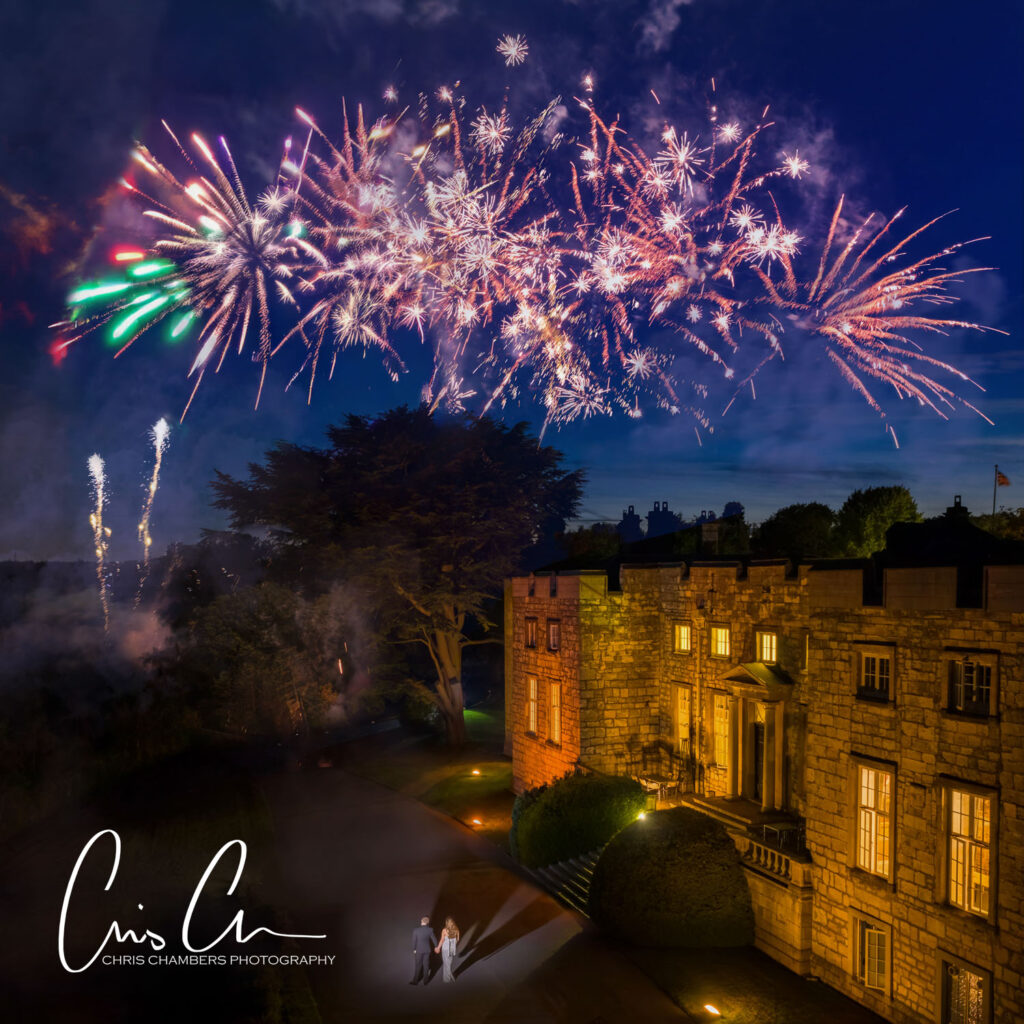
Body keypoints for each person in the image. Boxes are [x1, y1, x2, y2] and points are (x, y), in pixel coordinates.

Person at [410, 916, 437, 985]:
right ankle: (426, 981)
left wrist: (414, 949)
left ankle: (415, 981)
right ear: (427, 922)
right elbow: (434, 939)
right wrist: (436, 946)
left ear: (421, 921)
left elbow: (414, 941)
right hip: (427, 950)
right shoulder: (430, 930)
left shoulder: (416, 930)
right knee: (426, 965)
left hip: (418, 950)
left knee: (418, 965)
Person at [434, 916, 460, 983]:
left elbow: (442, 940)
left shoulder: (444, 930)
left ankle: (448, 978)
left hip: (445, 949)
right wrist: (453, 943)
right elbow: (457, 939)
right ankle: (447, 977)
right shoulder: (456, 929)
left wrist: (438, 948)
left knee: (446, 963)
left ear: (446, 923)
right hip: (452, 948)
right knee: (449, 963)